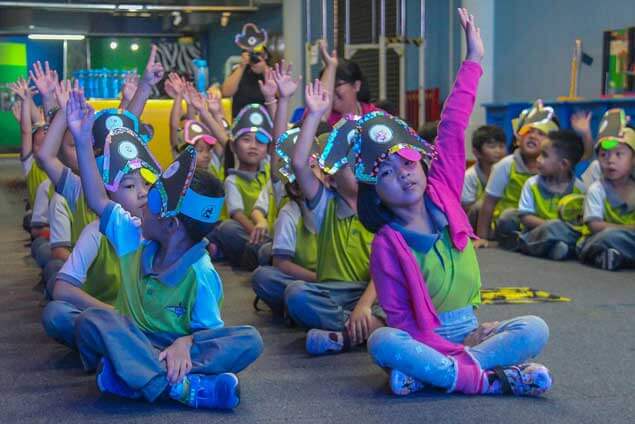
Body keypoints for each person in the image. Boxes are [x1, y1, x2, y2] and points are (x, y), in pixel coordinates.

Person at [356, 9, 551, 397]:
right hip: (423, 336)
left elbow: (453, 124)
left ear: (422, 164)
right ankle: (488, 379)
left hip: (467, 327)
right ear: (374, 192)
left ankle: (440, 374)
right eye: (386, 174)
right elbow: (400, 319)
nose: (403, 174)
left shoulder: (443, 189)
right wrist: (449, 348)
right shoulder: (387, 242)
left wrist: (474, 59)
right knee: (383, 343)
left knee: (535, 327)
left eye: (407, 162)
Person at [68, 89, 263, 410]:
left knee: (248, 340)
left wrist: (183, 345)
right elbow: (97, 199)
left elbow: (205, 333)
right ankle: (183, 388)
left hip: (174, 347)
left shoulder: (201, 272)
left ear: (172, 226)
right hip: (134, 338)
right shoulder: (134, 236)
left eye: (152, 202)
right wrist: (81, 139)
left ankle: (136, 379)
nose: (142, 201)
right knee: (92, 321)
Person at [476, 100, 559, 249]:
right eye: (527, 131)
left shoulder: (553, 167)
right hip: (513, 222)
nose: (532, 136)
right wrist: (481, 238)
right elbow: (488, 203)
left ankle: (537, 244)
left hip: (539, 221)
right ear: (517, 138)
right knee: (507, 217)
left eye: (540, 133)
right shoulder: (506, 165)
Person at [210, 104, 275, 271]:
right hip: (250, 233)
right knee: (227, 229)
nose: (253, 145)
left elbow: (278, 139)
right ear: (233, 147)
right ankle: (259, 254)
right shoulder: (232, 180)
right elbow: (237, 214)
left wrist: (273, 101)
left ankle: (263, 254)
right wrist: (256, 234)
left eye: (260, 141)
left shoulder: (269, 169)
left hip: (270, 231)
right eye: (246, 140)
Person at [577, 108, 635, 271]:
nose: (610, 161)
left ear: (633, 160)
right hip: (599, 236)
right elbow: (594, 225)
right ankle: (605, 255)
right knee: (608, 237)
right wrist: (626, 230)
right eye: (604, 155)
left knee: (620, 241)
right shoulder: (597, 189)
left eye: (619, 154)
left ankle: (615, 256)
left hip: (626, 239)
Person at [517, 129, 586, 260]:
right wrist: (552, 226)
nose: (538, 159)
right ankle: (551, 246)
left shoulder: (579, 188)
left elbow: (579, 222)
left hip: (565, 232)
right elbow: (525, 216)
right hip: (537, 231)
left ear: (564, 164)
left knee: (577, 236)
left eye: (544, 155)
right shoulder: (532, 184)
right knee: (544, 232)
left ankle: (555, 248)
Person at [317, 40, 381, 127]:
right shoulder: (316, 116)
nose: (331, 92)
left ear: (356, 86)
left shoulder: (376, 116)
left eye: (338, 85)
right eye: (329, 86)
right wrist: (330, 67)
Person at [461, 125, 506, 231]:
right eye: (492, 146)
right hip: (475, 223)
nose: (498, 151)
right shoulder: (470, 176)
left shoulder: (507, 169)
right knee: (482, 205)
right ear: (477, 152)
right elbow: (467, 210)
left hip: (500, 216)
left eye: (501, 146)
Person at [222, 46, 272, 118]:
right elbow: (226, 92)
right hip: (240, 120)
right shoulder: (239, 71)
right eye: (252, 53)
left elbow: (280, 93)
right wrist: (242, 66)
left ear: (266, 56)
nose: (255, 56)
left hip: (266, 120)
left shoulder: (271, 72)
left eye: (258, 54)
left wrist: (264, 69)